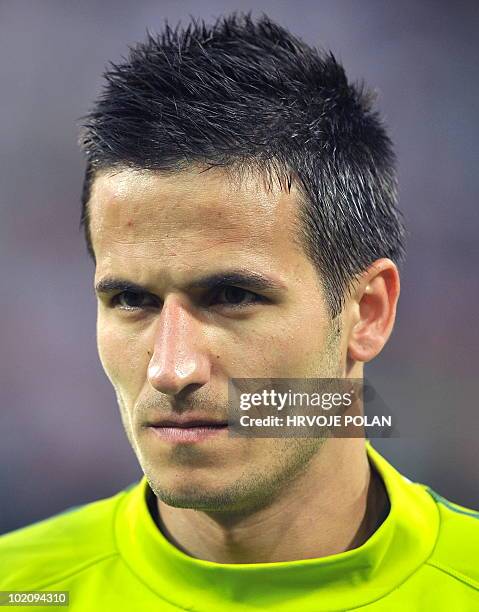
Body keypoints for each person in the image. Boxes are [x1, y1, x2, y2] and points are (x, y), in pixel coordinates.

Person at [1, 13, 478, 611]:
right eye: (131, 300)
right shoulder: (19, 587)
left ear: (368, 313)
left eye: (232, 297)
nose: (171, 371)